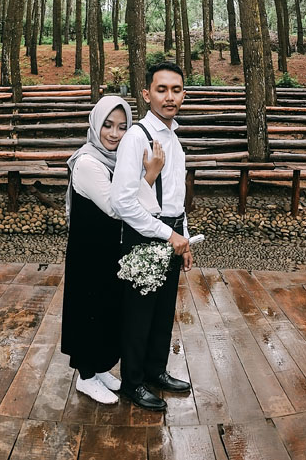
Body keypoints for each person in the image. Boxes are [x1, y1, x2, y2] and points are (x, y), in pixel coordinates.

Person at [61, 95, 165, 405]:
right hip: (89, 253)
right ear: (95, 124)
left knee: (107, 309)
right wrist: (149, 175)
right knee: (88, 311)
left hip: (108, 250)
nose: (114, 134)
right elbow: (116, 207)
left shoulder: (117, 161)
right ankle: (85, 377)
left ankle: (100, 368)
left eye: (122, 127)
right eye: (107, 125)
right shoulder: (88, 163)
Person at [111, 61, 193, 412]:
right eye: (161, 89)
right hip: (145, 235)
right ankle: (132, 383)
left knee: (163, 311)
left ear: (183, 95)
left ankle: (156, 372)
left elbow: (175, 196)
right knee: (138, 314)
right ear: (147, 94)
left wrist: (184, 237)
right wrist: (167, 234)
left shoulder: (175, 138)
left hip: (172, 232)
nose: (169, 96)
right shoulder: (135, 138)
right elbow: (122, 201)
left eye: (176, 90)